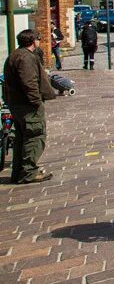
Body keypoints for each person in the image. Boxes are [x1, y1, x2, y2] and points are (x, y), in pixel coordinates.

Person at [3, 30, 57, 183]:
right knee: (35, 135)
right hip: (27, 105)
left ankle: (19, 171)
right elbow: (29, 82)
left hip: (17, 103)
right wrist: (36, 101)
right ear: (34, 41)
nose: (39, 41)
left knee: (22, 137)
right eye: (38, 39)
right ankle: (28, 172)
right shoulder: (25, 58)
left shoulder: (15, 55)